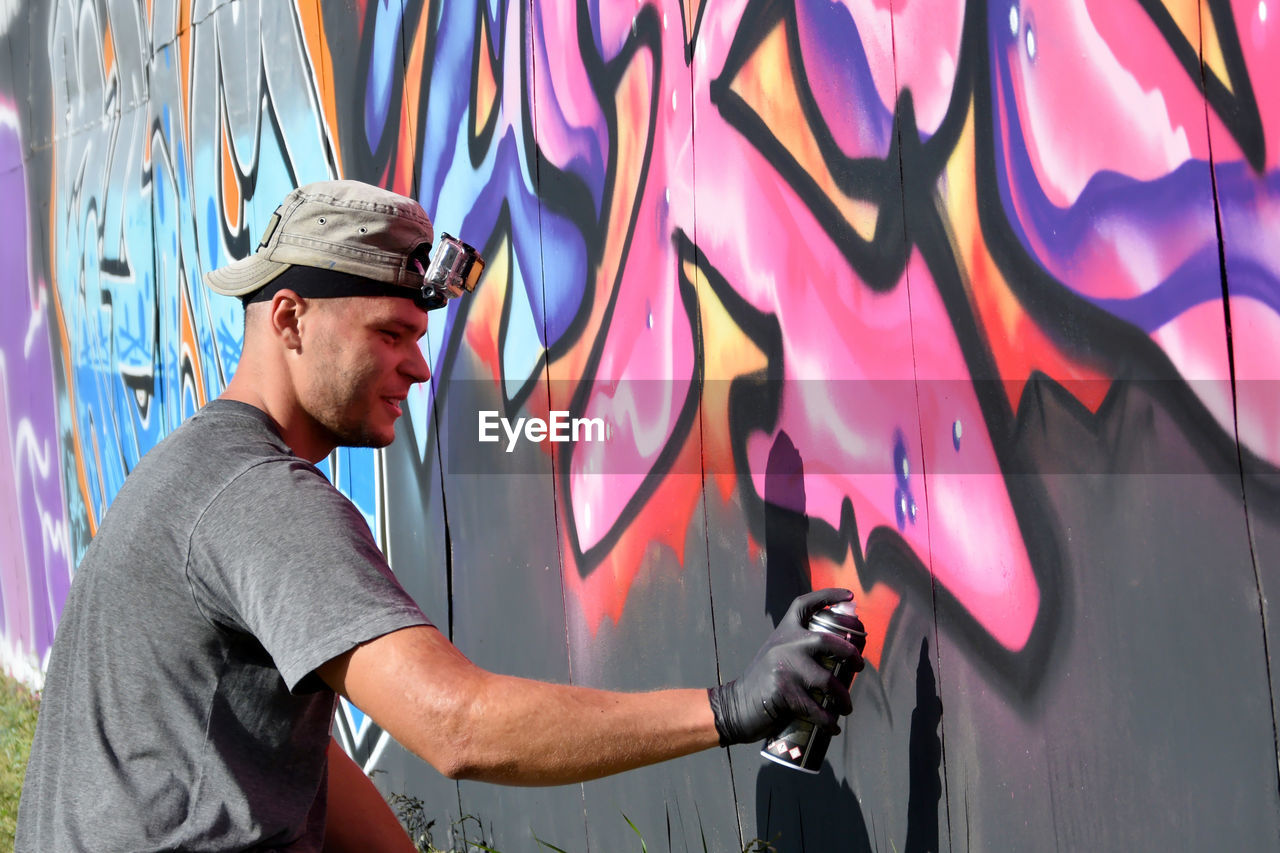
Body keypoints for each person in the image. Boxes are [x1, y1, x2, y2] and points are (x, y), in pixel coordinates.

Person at [16, 180, 865, 852]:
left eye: (419, 336)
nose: (419, 368)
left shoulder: (196, 469)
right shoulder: (263, 501)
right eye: (390, 333)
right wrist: (729, 707)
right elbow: (457, 725)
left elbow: (282, 754)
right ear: (290, 318)